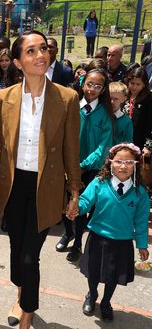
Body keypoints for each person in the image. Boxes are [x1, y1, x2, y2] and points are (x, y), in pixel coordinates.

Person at [0, 30, 82, 329]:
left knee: (31, 256)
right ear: (17, 62)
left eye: (43, 49)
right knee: (18, 252)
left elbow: (72, 149)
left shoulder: (67, 97)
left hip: (45, 189)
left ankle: (25, 325)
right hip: (14, 187)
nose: (40, 55)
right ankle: (20, 292)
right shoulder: (5, 98)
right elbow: (2, 143)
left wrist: (74, 191)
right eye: (31, 51)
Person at [76, 143, 150, 320]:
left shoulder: (140, 193)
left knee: (113, 277)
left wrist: (142, 245)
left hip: (122, 242)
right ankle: (92, 295)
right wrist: (76, 207)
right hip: (97, 238)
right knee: (93, 273)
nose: (123, 166)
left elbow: (140, 222)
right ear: (110, 163)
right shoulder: (99, 183)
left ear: (135, 165)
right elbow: (85, 201)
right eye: (119, 161)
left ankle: (106, 301)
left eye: (128, 162)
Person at [56, 66, 114, 262]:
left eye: (98, 86)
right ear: (82, 83)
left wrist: (83, 164)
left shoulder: (106, 114)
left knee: (81, 205)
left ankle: (77, 242)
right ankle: (68, 232)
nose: (92, 89)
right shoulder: (71, 107)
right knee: (64, 203)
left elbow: (103, 147)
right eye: (89, 84)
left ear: (103, 89)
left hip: (91, 168)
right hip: (67, 164)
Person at [124, 65, 152, 155]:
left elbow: (150, 124)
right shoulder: (124, 95)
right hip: (122, 140)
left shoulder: (149, 99)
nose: (134, 87)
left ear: (144, 84)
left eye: (138, 84)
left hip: (139, 142)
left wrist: (148, 146)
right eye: (132, 83)